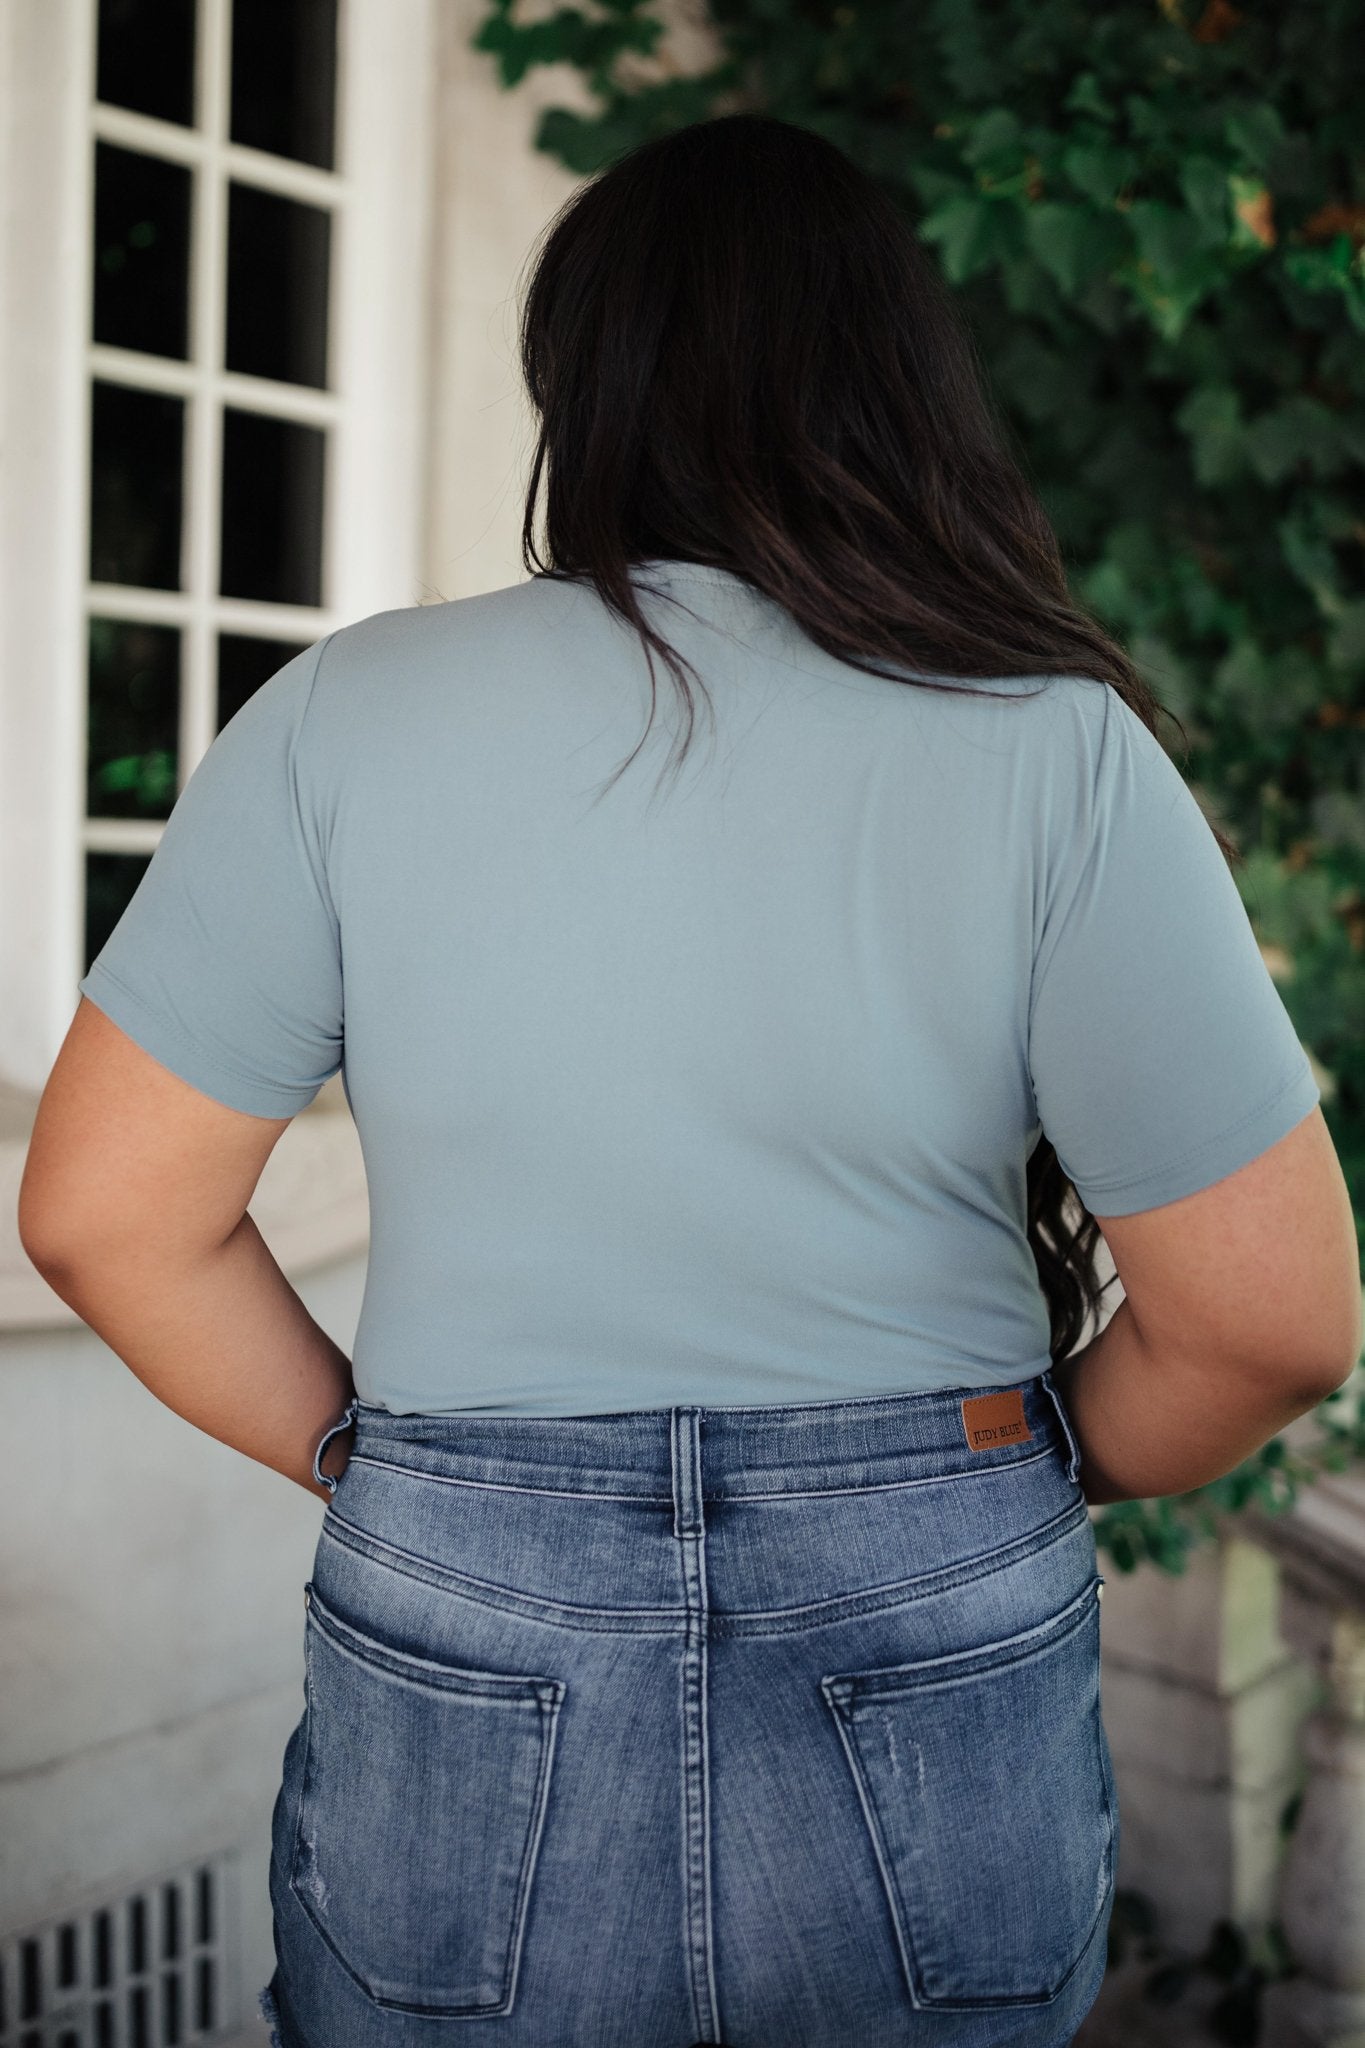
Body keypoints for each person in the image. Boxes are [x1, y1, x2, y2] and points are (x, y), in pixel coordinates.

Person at [20, 112, 1360, 2048]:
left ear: (581, 386)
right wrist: (1001, 1481)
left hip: (467, 1590)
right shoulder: (1057, 753)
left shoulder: (345, 716)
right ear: (903, 385)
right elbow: (1270, 1322)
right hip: (933, 1570)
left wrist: (381, 1463)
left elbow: (94, 1211)